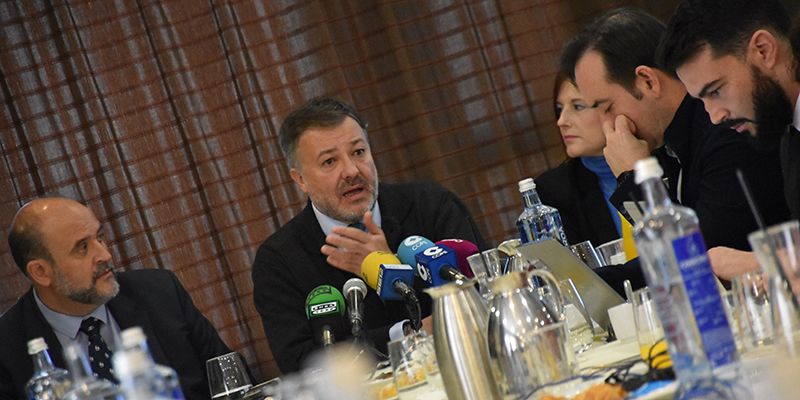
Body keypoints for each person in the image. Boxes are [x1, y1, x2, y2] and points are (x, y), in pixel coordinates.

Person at [251, 97, 486, 373]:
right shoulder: (279, 260)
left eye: (359, 152)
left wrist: (391, 267)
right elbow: (302, 364)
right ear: (300, 179)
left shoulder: (430, 204)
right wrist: (409, 332)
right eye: (329, 161)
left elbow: (482, 295)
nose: (351, 171)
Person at [560, 7, 789, 268]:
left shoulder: (729, 128)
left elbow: (690, 261)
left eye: (607, 108)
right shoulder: (667, 143)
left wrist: (635, 178)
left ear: (647, 81)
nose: (606, 127)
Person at [0, 198, 234, 400]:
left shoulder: (159, 292)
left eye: (100, 237)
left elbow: (230, 380)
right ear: (41, 272)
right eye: (82, 247)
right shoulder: (7, 348)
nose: (105, 254)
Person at [657, 0, 800, 280]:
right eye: (702, 101)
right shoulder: (786, 132)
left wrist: (761, 263)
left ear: (763, 50)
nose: (714, 116)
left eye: (716, 91)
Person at [536, 71, 621, 247]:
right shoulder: (554, 191)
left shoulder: (667, 161)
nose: (561, 121)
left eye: (578, 107)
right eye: (559, 109)